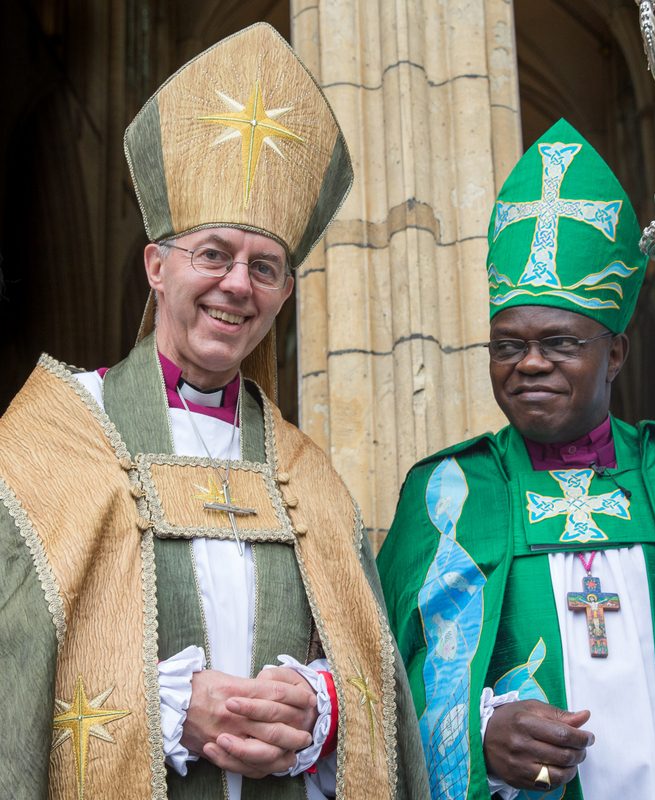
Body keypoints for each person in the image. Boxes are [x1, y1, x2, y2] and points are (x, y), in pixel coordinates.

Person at [0, 24, 429, 800]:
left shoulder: (307, 473)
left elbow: (372, 675)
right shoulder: (55, 437)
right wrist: (166, 710)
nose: (239, 285)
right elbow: (12, 658)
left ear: (284, 296)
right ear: (156, 267)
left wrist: (321, 710)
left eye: (265, 267)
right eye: (213, 254)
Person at [377, 119, 655, 800]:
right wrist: (480, 736)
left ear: (616, 354)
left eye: (561, 343)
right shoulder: (447, 493)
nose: (530, 363)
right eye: (508, 346)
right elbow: (381, 690)